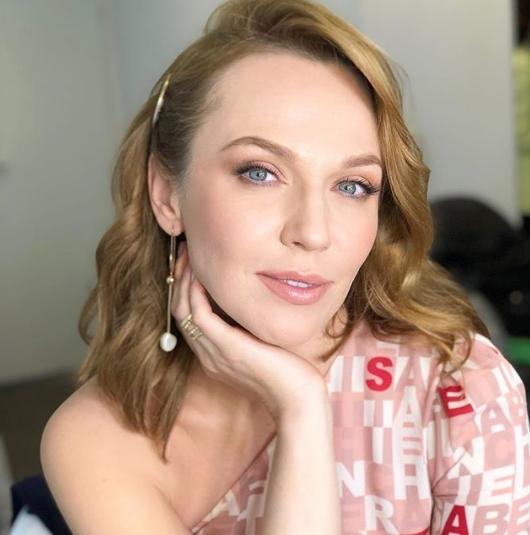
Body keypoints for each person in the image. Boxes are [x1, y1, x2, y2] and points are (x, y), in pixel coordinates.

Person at [40, 0, 530, 533]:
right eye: (260, 172)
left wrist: (299, 404)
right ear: (167, 195)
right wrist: (302, 412)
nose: (313, 232)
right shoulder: (96, 440)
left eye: (352, 185)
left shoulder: (460, 390)